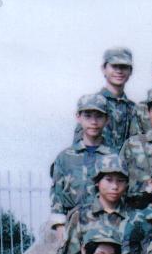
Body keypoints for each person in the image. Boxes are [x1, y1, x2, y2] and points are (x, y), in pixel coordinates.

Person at [56, 154, 131, 254]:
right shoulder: (81, 216)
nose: (114, 186)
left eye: (120, 180)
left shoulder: (134, 217)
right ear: (97, 182)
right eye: (109, 180)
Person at [50, 93, 117, 226]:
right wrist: (60, 227)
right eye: (88, 116)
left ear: (107, 119)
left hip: (105, 226)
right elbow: (57, 196)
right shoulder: (65, 157)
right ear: (78, 117)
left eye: (99, 116)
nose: (93, 122)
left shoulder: (114, 157)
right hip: (72, 225)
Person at [78, 47, 137, 151]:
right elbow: (79, 146)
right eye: (114, 66)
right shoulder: (91, 105)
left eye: (123, 67)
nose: (119, 71)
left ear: (130, 71)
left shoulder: (134, 108)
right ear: (103, 69)